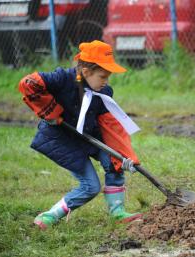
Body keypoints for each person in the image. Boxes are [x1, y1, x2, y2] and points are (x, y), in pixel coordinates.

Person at [18, 40, 142, 230]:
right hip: (61, 139)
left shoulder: (104, 91)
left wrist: (126, 155)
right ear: (86, 71)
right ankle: (50, 216)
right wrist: (50, 110)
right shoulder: (62, 79)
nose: (106, 81)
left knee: (114, 161)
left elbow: (111, 126)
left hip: (88, 136)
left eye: (108, 77)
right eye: (102, 76)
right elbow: (29, 83)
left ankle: (117, 213)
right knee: (90, 186)